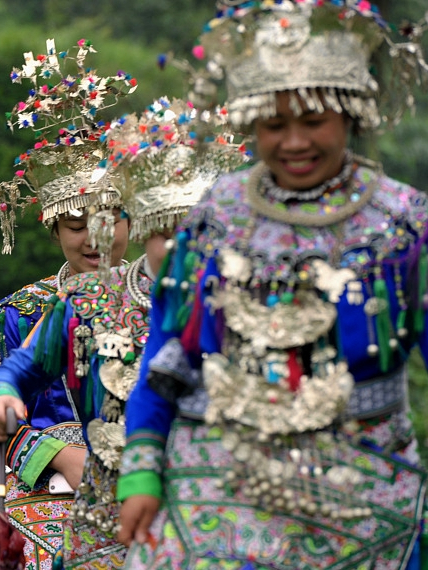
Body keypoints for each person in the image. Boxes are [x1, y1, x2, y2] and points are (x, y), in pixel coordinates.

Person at [114, 2, 428, 568]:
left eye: (313, 122)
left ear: (352, 113)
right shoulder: (218, 214)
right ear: (251, 124)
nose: (293, 143)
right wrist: (142, 465)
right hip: (215, 477)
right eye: (274, 125)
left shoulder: (404, 222)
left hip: (363, 483)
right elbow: (170, 353)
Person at [0, 97, 249, 568]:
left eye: (194, 232)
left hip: (221, 510)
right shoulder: (87, 302)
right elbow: (11, 374)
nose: (181, 248)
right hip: (107, 514)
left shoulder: (251, 301)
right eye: (167, 233)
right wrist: (1, 396)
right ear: (148, 230)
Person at [0, 38, 136, 568]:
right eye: (75, 225)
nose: (94, 239)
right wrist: (60, 455)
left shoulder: (171, 299)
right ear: (53, 228)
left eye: (109, 222)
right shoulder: (26, 310)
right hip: (53, 487)